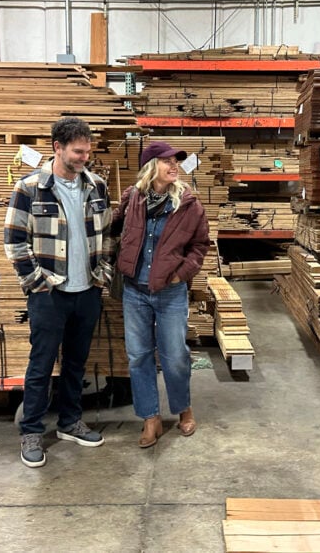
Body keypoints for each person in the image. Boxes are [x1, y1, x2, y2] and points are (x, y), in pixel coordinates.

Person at [4, 117, 113, 468]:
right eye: (78, 152)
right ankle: (31, 431)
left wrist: (102, 275)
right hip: (49, 293)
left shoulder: (96, 186)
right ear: (58, 148)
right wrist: (37, 283)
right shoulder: (30, 188)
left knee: (76, 363)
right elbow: (14, 241)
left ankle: (70, 422)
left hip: (87, 290)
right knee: (41, 364)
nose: (84, 158)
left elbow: (107, 235)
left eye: (87, 151)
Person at [112, 141, 210, 448]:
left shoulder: (188, 204)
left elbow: (200, 245)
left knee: (175, 355)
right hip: (134, 290)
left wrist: (182, 274)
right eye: (167, 161)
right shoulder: (133, 198)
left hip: (170, 291)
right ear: (151, 166)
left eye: (176, 161)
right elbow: (113, 229)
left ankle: (183, 408)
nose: (174, 165)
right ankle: (150, 418)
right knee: (139, 356)